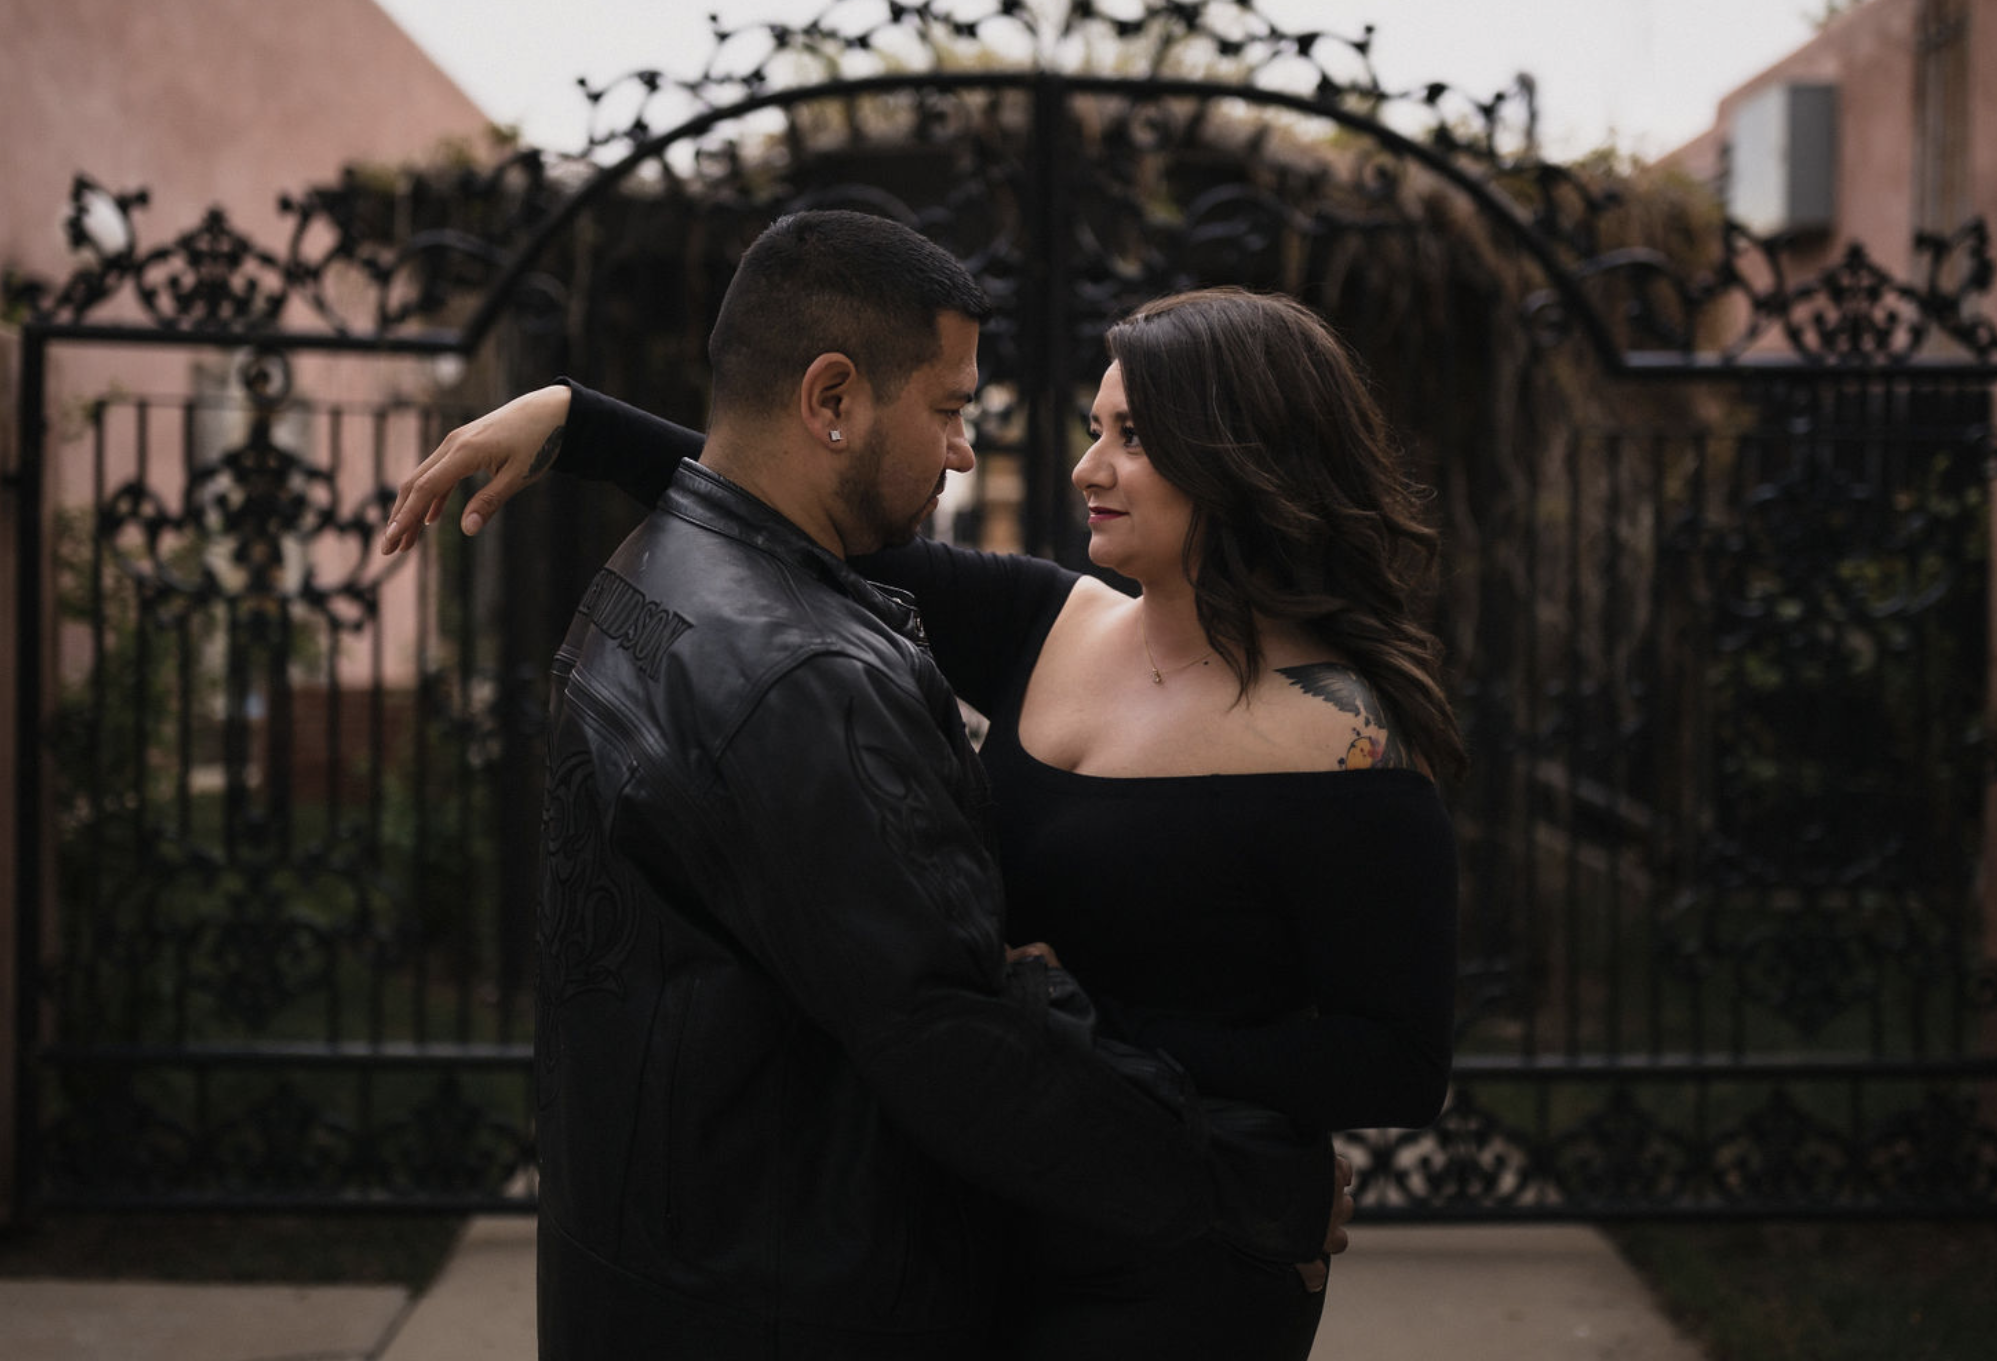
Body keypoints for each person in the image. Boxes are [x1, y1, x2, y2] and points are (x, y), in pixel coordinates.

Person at [381, 212, 1350, 1360]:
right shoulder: (806, 674)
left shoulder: (649, 574)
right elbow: (949, 1043)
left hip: (661, 1270)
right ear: (833, 401)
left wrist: (581, 420)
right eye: (949, 409)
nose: (962, 452)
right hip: (784, 1300)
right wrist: (1248, 1187)